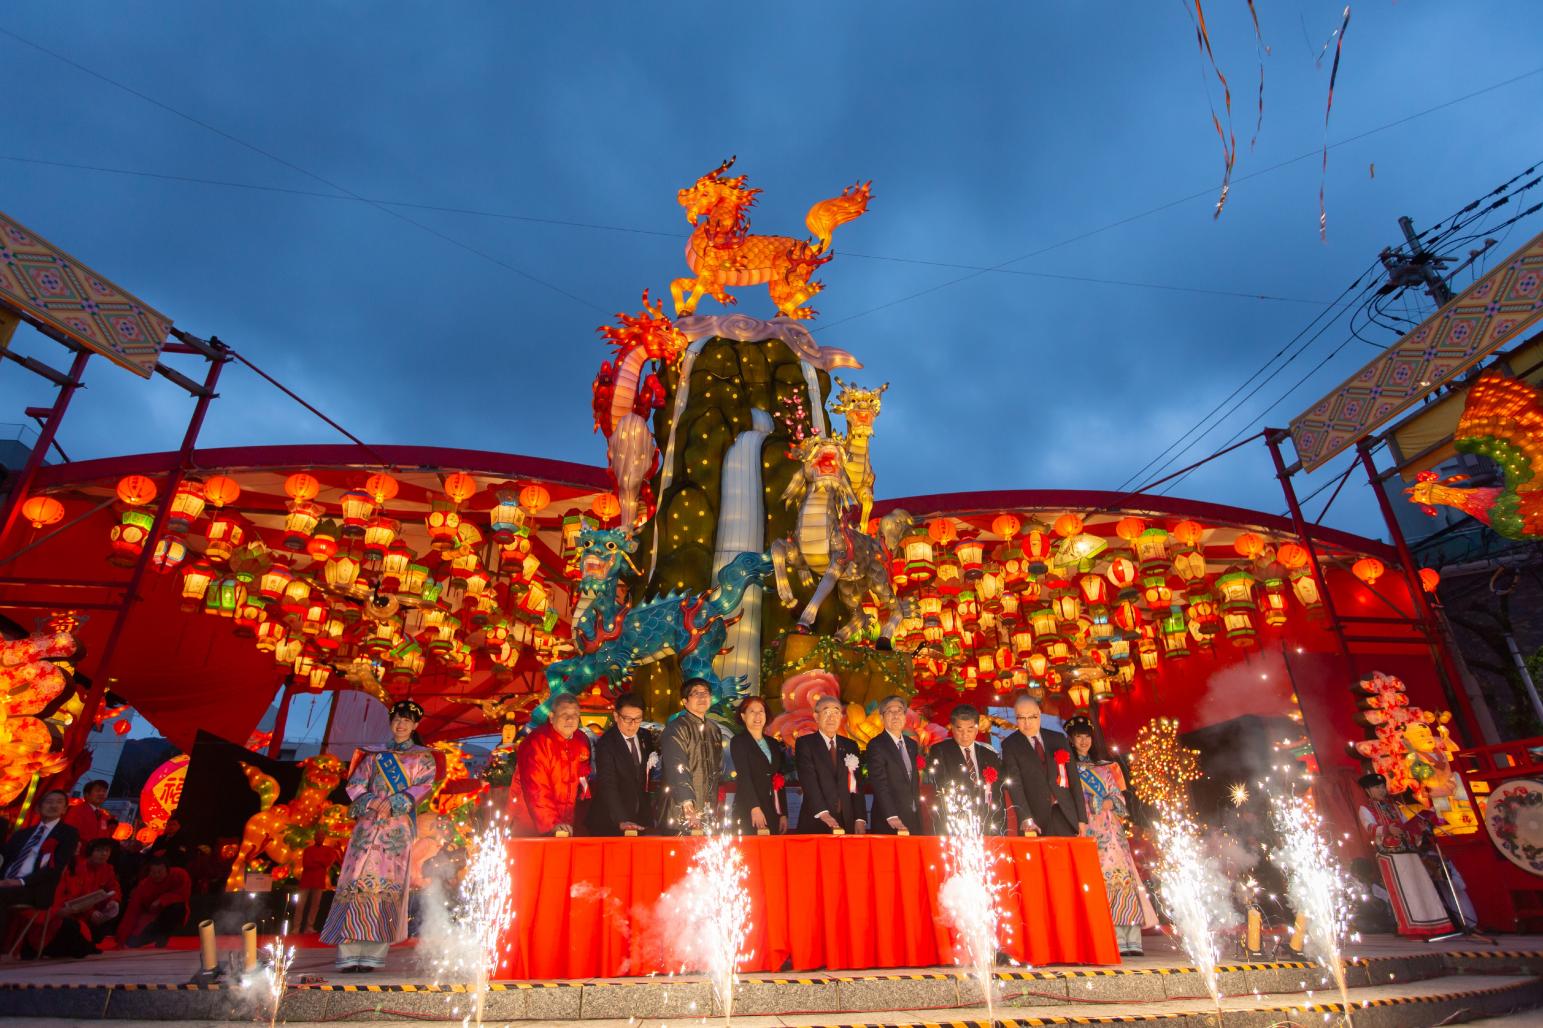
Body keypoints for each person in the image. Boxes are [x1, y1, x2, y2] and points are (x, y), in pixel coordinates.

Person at [320, 700, 439, 971]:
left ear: (416, 726)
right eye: (398, 719)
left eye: (407, 721)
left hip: (395, 831)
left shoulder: (423, 758)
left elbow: (424, 786)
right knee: (356, 882)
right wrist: (373, 801)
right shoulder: (373, 755)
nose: (401, 725)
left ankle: (374, 952)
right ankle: (349, 951)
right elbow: (355, 784)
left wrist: (396, 802)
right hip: (368, 827)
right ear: (391, 722)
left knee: (387, 886)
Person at [1066, 716, 1156, 956]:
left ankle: (1132, 937)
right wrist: (1095, 802)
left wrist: (1111, 801)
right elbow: (1066, 801)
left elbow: (1121, 797)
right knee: (1101, 880)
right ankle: (1112, 936)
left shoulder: (1108, 766)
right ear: (1071, 740)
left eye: (1087, 736)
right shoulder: (1067, 769)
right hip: (1090, 829)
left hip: (1113, 829)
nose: (1083, 741)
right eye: (1078, 737)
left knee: (1124, 878)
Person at [1356, 772, 1453, 938]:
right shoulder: (1366, 808)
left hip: (1409, 851)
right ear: (1368, 790)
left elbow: (1406, 822)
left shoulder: (1394, 806)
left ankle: (1436, 924)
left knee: (1422, 886)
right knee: (1405, 891)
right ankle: (1413, 928)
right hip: (1391, 854)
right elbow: (1370, 828)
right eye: (1377, 787)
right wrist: (1387, 830)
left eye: (1382, 786)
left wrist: (1418, 829)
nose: (1382, 790)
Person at [0, 789, 79, 947]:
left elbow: (55, 868)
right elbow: (5, 856)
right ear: (39, 808)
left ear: (64, 809)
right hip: (6, 882)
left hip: (34, 888)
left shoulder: (68, 834)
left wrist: (21, 882)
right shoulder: (23, 833)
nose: (53, 805)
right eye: (49, 802)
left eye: (58, 802)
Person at [1001, 695, 1087, 837]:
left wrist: (1081, 819)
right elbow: (1015, 785)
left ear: (1039, 714)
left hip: (1065, 813)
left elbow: (1074, 780)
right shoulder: (1010, 745)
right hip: (1035, 819)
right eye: (1021, 718)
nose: (1027, 723)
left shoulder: (1058, 738)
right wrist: (1026, 818)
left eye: (1032, 717)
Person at [514, 694, 593, 836]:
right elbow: (536, 788)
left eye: (575, 715)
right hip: (535, 824)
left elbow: (583, 784)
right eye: (564, 714)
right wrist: (553, 823)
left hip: (568, 824)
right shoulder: (537, 742)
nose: (570, 719)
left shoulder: (581, 740)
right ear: (551, 717)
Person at [587, 693, 657, 836]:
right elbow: (608, 784)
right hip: (611, 820)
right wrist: (622, 819)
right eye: (627, 719)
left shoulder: (645, 736)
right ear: (616, 716)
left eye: (638, 719)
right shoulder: (606, 744)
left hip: (639, 816)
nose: (633, 724)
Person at [658, 679, 723, 833]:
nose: (702, 697)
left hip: (707, 810)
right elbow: (677, 767)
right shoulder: (676, 728)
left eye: (706, 693)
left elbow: (717, 768)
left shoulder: (714, 729)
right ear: (685, 702)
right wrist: (687, 804)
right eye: (696, 693)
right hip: (680, 810)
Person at [794, 695, 866, 834]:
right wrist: (823, 813)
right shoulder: (805, 743)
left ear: (841, 716)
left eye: (836, 712)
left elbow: (857, 785)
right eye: (826, 712)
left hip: (847, 820)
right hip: (817, 819)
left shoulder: (851, 745)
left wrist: (860, 818)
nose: (831, 717)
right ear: (816, 716)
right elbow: (809, 781)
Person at [927, 704, 1004, 834]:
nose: (965, 735)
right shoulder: (940, 750)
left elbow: (997, 792)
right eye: (960, 730)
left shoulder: (988, 754)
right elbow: (941, 783)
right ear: (952, 727)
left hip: (985, 822)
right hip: (954, 820)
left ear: (977, 728)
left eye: (970, 730)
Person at [39, 838, 121, 958]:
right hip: (61, 912)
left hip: (82, 910)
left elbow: (114, 888)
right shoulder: (76, 866)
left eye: (107, 851)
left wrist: (114, 901)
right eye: (99, 850)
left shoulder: (106, 869)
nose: (104, 854)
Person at [727, 695, 789, 835]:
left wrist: (783, 813)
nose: (757, 716)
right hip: (749, 807)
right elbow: (744, 777)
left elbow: (779, 777)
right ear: (743, 716)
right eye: (752, 711)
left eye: (761, 711)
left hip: (773, 808)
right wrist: (754, 807)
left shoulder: (773, 743)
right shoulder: (739, 742)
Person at [864, 695, 923, 835]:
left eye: (900, 711)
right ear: (881, 717)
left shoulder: (911, 744)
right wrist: (891, 815)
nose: (896, 715)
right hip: (889, 819)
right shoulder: (876, 745)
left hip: (913, 817)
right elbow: (879, 783)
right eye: (890, 711)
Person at [116, 855, 190, 948]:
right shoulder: (143, 886)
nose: (156, 875)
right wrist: (121, 939)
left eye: (160, 872)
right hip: (150, 918)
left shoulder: (179, 875)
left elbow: (183, 895)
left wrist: (162, 900)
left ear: (168, 870)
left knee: (177, 908)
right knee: (131, 942)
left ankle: (163, 936)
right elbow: (132, 912)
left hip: (171, 912)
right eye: (153, 872)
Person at [295, 836, 341, 934]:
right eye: (318, 836)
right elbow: (306, 864)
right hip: (306, 881)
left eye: (321, 837)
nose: (320, 839)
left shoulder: (327, 850)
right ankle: (296, 927)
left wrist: (318, 861)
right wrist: (320, 863)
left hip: (319, 881)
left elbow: (327, 862)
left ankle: (309, 926)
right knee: (300, 905)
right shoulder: (308, 850)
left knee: (315, 906)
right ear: (315, 838)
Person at [62, 780, 114, 846]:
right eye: (98, 790)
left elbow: (104, 836)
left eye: (104, 791)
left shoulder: (104, 816)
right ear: (87, 794)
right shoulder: (77, 810)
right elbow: (69, 835)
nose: (102, 794)